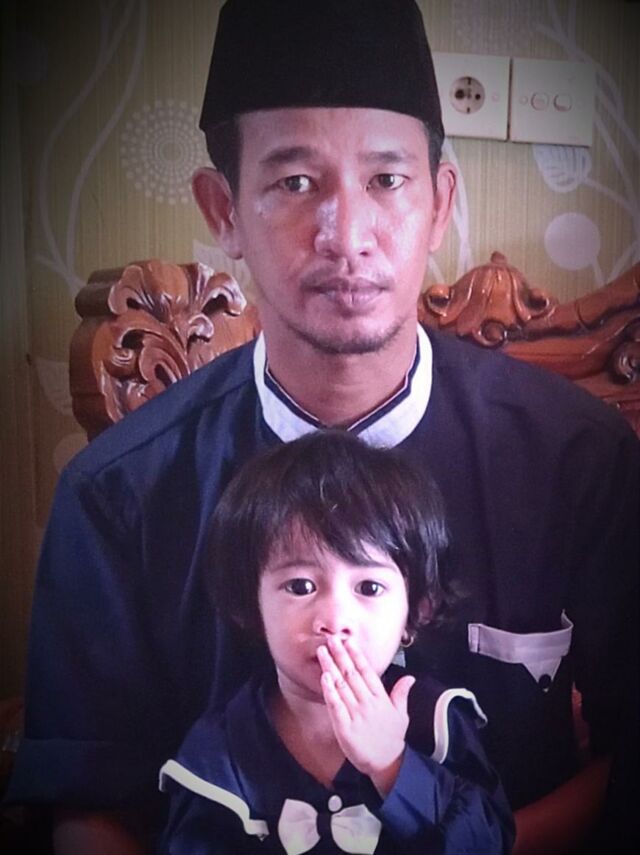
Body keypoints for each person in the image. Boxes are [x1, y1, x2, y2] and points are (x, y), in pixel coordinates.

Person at [6, 1, 638, 853]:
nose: (346, 236)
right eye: (295, 182)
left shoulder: (580, 458)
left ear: (439, 202)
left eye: (387, 180)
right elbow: (87, 807)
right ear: (223, 209)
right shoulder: (118, 494)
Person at [158, 430, 515, 854]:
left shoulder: (436, 721)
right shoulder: (218, 750)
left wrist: (393, 766)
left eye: (369, 588)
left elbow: (489, 842)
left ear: (415, 612)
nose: (334, 620)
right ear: (250, 606)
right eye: (301, 586)